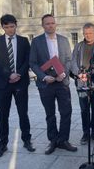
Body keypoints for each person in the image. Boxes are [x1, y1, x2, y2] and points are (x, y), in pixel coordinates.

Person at [29, 14, 77, 154]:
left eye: (52, 23)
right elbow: (33, 62)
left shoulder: (64, 40)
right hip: (46, 84)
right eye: (47, 23)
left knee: (66, 112)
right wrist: (43, 77)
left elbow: (69, 59)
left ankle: (63, 140)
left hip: (62, 83)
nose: (50, 25)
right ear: (43, 25)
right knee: (50, 114)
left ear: (56, 24)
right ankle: (53, 141)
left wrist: (64, 73)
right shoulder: (36, 42)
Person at [0, 14, 35, 159]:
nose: (10, 29)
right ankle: (2, 144)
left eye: (12, 26)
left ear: (16, 25)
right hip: (3, 84)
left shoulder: (23, 41)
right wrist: (9, 74)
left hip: (20, 83)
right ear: (2, 27)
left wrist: (19, 74)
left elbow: (28, 60)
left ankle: (27, 140)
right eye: (6, 27)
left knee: (23, 113)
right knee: (3, 115)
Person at [71, 22, 94, 145]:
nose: (88, 35)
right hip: (81, 82)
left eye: (90, 33)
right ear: (83, 34)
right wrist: (78, 74)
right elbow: (72, 62)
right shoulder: (78, 46)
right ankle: (85, 133)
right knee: (84, 109)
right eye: (86, 33)